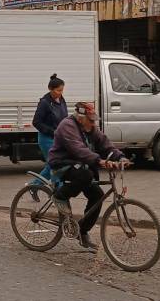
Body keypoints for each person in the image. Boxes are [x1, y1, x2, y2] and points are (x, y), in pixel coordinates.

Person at [48, 102, 130, 252]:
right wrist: (99, 161)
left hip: (81, 165)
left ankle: (82, 231)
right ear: (81, 118)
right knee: (86, 175)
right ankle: (60, 196)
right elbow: (78, 149)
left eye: (94, 120)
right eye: (91, 120)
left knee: (97, 195)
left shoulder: (90, 128)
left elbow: (105, 144)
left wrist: (120, 157)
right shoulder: (67, 125)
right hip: (62, 164)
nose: (93, 123)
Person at [29, 74, 68, 195]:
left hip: (58, 138)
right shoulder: (44, 103)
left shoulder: (61, 99)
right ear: (50, 89)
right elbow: (36, 122)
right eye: (58, 90)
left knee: (51, 165)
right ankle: (59, 191)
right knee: (57, 165)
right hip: (47, 139)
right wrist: (52, 131)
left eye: (62, 90)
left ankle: (34, 186)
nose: (60, 93)